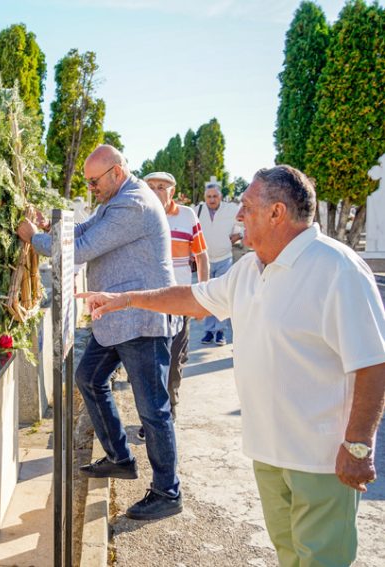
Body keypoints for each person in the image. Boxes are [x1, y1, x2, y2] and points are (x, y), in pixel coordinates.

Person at [79, 165, 385, 566]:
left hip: (322, 457)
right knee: (290, 555)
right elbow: (192, 298)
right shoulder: (249, 269)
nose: (238, 215)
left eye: (246, 206)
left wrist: (358, 445)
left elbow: (373, 362)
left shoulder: (336, 268)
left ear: (277, 212)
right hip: (270, 452)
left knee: (323, 559)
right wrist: (128, 299)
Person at [17, 145, 183, 521]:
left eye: (94, 181)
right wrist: (48, 230)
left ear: (117, 172)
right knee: (88, 378)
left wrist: (32, 239)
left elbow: (82, 248)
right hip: (115, 319)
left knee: (153, 410)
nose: (90, 187)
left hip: (141, 321)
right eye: (88, 182)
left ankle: (167, 491)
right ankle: (120, 457)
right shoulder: (115, 199)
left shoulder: (133, 204)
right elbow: (81, 230)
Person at [144, 171, 209, 431]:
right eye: (150, 186)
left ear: (172, 191)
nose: (156, 190)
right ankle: (152, 416)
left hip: (180, 300)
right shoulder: (143, 214)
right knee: (150, 358)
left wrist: (203, 296)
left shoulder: (187, 216)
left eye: (162, 187)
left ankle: (169, 408)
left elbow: (202, 257)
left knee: (174, 358)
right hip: (149, 299)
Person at [197, 182, 242, 346]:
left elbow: (243, 223)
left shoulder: (230, 209)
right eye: (209, 196)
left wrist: (239, 235)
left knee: (222, 295)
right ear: (205, 198)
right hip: (205, 260)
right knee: (207, 294)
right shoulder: (198, 210)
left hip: (224, 258)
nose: (212, 199)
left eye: (215, 196)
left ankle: (220, 332)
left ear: (220, 197)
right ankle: (208, 331)